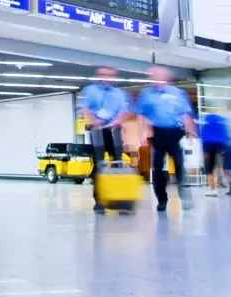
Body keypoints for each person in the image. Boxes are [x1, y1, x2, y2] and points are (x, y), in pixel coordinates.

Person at [131, 66, 196, 212]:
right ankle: (161, 199)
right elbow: (141, 114)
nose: (154, 80)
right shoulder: (146, 94)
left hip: (175, 132)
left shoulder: (178, 93)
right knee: (157, 168)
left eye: (157, 76)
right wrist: (142, 133)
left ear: (166, 78)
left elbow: (185, 114)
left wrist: (190, 130)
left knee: (179, 164)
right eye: (152, 77)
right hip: (157, 133)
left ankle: (185, 196)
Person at [78, 68, 130, 212]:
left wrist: (117, 121)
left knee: (118, 162)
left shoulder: (119, 93)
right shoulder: (90, 91)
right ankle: (99, 200)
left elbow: (124, 111)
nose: (107, 78)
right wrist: (93, 121)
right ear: (98, 76)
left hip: (114, 130)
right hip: (97, 130)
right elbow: (84, 109)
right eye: (104, 75)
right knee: (99, 164)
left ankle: (120, 199)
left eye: (110, 76)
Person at [198, 110, 231, 198]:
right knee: (223, 166)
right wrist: (224, 145)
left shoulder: (206, 119)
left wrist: (204, 148)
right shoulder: (220, 119)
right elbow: (224, 132)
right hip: (220, 144)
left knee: (209, 167)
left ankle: (212, 189)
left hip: (209, 144)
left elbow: (203, 133)